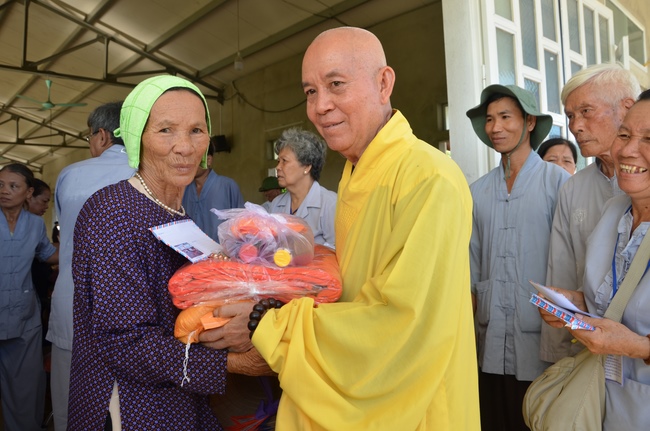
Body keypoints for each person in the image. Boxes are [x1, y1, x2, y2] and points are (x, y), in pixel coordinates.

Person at [200, 27, 480, 430]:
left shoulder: (428, 177)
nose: (320, 106)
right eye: (311, 91)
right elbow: (353, 287)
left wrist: (267, 322)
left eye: (336, 85)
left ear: (383, 84)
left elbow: (401, 325)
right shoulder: (357, 170)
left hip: (410, 407)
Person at [67, 75, 263, 430]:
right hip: (130, 406)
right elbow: (127, 344)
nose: (185, 147)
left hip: (178, 397)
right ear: (137, 136)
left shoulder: (174, 211)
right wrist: (235, 364)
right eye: (166, 130)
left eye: (196, 130)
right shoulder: (112, 213)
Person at [539, 91, 650, 429]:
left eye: (648, 139)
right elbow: (615, 297)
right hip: (601, 404)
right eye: (624, 135)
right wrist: (574, 304)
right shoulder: (614, 211)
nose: (628, 150)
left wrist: (638, 347)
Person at [466, 84, 570, 431]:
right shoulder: (477, 191)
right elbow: (471, 263)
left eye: (505, 117)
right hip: (491, 335)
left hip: (544, 339)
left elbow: (570, 262)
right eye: (490, 119)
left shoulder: (558, 184)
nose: (495, 127)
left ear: (529, 122)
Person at [541, 64, 640, 364]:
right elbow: (562, 274)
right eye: (571, 116)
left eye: (586, 111)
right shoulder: (573, 189)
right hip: (588, 357)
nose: (575, 126)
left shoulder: (642, 184)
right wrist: (560, 361)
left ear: (627, 109)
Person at [46, 101, 135, 431]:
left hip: (72, 303)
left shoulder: (71, 174)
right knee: (127, 408)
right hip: (130, 310)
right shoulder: (147, 173)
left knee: (70, 403)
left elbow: (63, 234)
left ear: (101, 136)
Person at [0, 163, 58, 431]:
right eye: (1, 185)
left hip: (24, 316)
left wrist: (79, 247)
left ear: (28, 192)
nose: (4, 191)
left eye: (13, 186)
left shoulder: (35, 224)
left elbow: (48, 254)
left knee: (25, 386)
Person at [268, 127, 336, 247]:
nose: (278, 167)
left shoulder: (330, 204)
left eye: (284, 161)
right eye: (278, 161)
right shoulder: (276, 203)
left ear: (306, 167)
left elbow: (338, 251)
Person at [182, 136, 244, 241]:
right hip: (191, 250)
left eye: (193, 158)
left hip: (221, 250)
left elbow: (241, 226)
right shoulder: (183, 189)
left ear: (209, 160)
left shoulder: (227, 186)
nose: (188, 164)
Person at [26, 179, 56, 343]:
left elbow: (46, 252)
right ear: (29, 195)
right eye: (44, 201)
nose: (46, 207)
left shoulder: (36, 223)